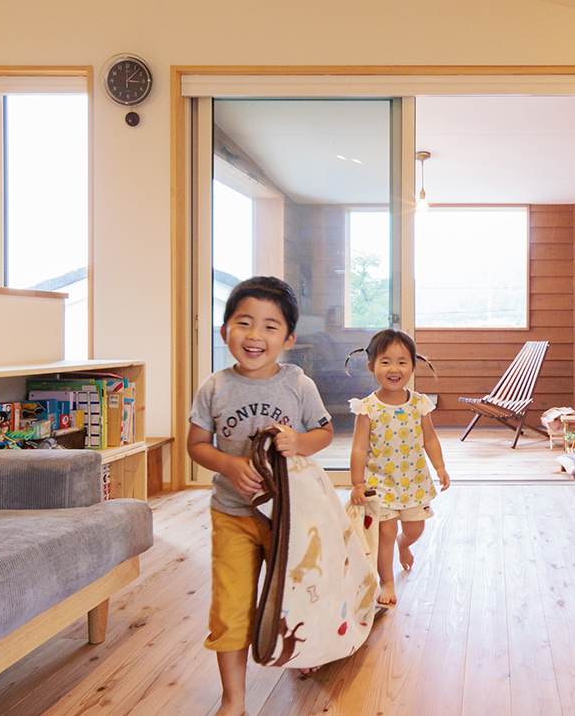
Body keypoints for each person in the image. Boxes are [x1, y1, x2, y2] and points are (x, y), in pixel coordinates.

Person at [187, 276, 333, 716]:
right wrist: (228, 465)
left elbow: (324, 432)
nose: (255, 335)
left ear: (288, 339)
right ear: (224, 331)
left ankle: (303, 650)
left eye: (270, 326)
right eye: (244, 322)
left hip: (289, 517)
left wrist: (300, 442)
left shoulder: (298, 384)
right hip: (232, 514)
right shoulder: (214, 387)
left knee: (295, 593)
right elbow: (196, 445)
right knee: (230, 607)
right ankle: (233, 699)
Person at [347, 329, 449, 606]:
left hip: (414, 482)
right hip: (381, 484)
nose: (394, 369)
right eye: (386, 362)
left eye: (402, 362)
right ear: (372, 367)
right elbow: (359, 448)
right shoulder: (367, 408)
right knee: (385, 534)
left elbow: (430, 438)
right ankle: (387, 582)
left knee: (415, 529)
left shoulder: (419, 403)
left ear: (413, 367)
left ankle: (404, 545)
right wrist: (358, 483)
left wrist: (439, 467)